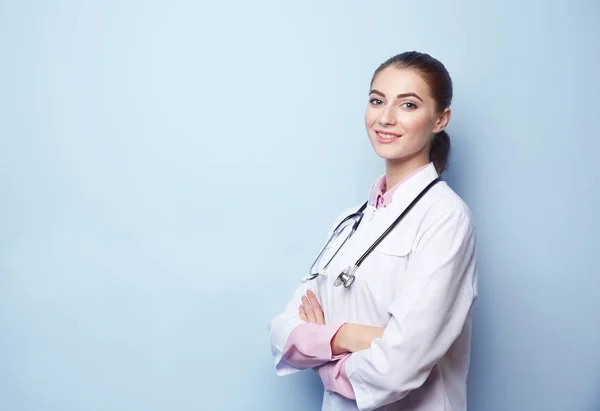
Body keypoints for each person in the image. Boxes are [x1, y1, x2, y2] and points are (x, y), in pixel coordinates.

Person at [268, 51, 478, 411]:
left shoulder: (445, 218)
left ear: (440, 119)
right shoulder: (351, 221)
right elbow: (282, 332)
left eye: (408, 105)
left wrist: (323, 358)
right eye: (377, 101)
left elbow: (398, 365)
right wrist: (351, 335)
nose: (386, 117)